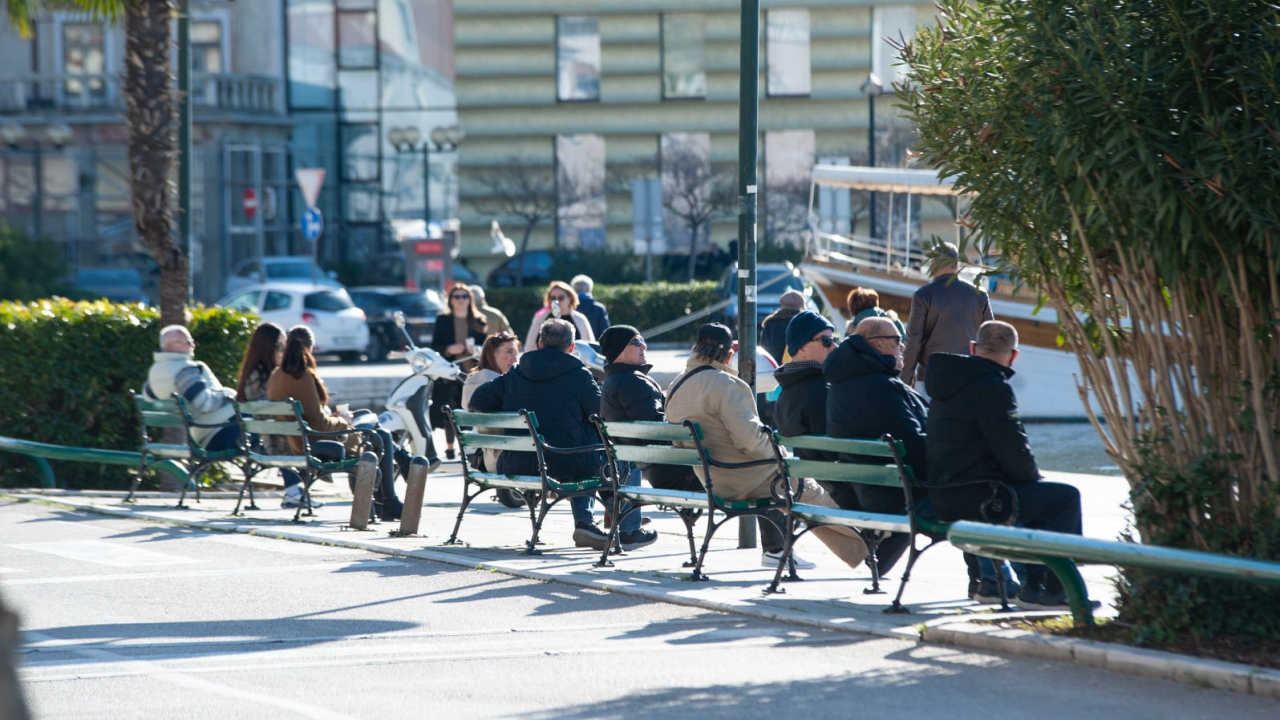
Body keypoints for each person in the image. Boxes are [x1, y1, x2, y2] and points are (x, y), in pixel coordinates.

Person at [665, 323, 869, 571]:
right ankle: (871, 541)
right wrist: (782, 456)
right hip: (744, 477)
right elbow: (750, 441)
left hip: (712, 479)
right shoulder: (727, 384)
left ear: (696, 347)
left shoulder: (676, 386)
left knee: (793, 486)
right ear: (730, 354)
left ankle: (856, 549)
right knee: (805, 487)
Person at [926, 321, 1085, 610]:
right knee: (1064, 498)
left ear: (973, 349)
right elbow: (1014, 451)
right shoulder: (993, 388)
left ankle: (1033, 588)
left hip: (945, 497)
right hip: (981, 500)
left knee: (1034, 494)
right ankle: (1053, 591)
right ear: (1014, 356)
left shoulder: (945, 385)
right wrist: (1033, 476)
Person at [469, 319, 611, 551]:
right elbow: (601, 414)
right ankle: (589, 521)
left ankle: (599, 519)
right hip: (564, 466)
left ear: (540, 343)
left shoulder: (516, 373)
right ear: (572, 347)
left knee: (579, 443)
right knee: (588, 442)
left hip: (516, 462)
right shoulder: (580, 375)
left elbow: (477, 401)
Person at [824, 316, 929, 574]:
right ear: (879, 344)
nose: (902, 346)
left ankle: (878, 565)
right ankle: (992, 579)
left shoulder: (842, 384)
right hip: (896, 493)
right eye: (898, 341)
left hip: (868, 488)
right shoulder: (878, 386)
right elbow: (914, 446)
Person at [267, 326, 406, 521]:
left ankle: (385, 500)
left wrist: (334, 417)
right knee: (377, 430)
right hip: (318, 443)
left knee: (376, 430)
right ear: (309, 348)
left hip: (298, 441)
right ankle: (388, 496)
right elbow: (320, 424)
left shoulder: (276, 375)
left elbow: (310, 417)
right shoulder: (303, 375)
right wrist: (343, 421)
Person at [772, 311, 859, 511]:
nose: (835, 346)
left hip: (822, 485)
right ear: (801, 348)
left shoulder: (786, 392)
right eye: (826, 341)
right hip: (846, 491)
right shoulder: (822, 391)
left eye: (835, 339)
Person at [234, 322, 311, 509]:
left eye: (285, 346)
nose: (284, 351)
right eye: (280, 346)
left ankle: (295, 492)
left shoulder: (254, 374)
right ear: (267, 348)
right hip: (281, 442)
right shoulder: (266, 377)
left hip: (274, 439)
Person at [901, 242, 994, 388]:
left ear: (933, 264)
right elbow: (989, 338)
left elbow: (913, 341)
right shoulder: (979, 294)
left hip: (933, 376)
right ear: (957, 265)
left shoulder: (924, 295)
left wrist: (906, 378)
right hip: (969, 376)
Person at [144, 325, 241, 452]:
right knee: (257, 415)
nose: (192, 346)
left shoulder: (156, 372)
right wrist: (229, 394)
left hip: (202, 433)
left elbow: (147, 397)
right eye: (187, 342)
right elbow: (204, 403)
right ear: (170, 345)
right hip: (219, 433)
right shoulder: (184, 370)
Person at [432, 284, 489, 461]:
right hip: (450, 371)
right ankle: (450, 448)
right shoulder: (443, 319)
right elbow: (435, 346)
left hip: (471, 371)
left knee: (469, 409)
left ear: (469, 300)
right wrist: (449, 349)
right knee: (450, 409)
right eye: (457, 297)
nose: (461, 300)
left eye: (464, 296)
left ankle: (466, 446)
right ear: (451, 300)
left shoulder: (479, 320)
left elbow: (486, 346)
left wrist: (476, 349)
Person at [461, 331, 522, 495]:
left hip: (487, 461)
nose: (515, 359)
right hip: (513, 461)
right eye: (509, 352)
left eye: (516, 354)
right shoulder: (498, 386)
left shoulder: (472, 382)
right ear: (491, 354)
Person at [523, 280, 596, 352]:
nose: (557, 301)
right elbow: (530, 346)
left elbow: (589, 348)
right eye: (553, 298)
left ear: (569, 298)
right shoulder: (540, 318)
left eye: (561, 298)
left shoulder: (580, 319)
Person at [758, 289, 806, 363]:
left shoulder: (770, 323)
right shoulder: (805, 322)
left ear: (782, 304)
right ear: (802, 304)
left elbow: (763, 349)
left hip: (773, 367)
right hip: (797, 368)